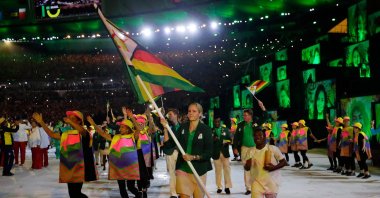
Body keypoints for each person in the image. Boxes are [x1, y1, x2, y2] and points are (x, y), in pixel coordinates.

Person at [32, 111, 98, 198]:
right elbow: (51, 134)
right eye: (69, 118)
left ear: (79, 121)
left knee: (76, 193)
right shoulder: (67, 133)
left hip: (79, 169)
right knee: (72, 193)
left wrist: (70, 121)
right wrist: (41, 122)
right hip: (69, 167)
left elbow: (82, 130)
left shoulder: (84, 132)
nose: (69, 120)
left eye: (72, 118)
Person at [162, 102, 213, 198]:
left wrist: (193, 157)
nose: (191, 113)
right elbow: (169, 144)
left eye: (194, 111)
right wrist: (165, 128)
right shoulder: (183, 127)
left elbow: (209, 153)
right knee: (183, 196)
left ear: (200, 114)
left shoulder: (206, 130)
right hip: (183, 168)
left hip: (199, 170)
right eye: (189, 111)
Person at [87, 116, 140, 198]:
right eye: (120, 127)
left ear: (128, 129)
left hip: (130, 167)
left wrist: (131, 117)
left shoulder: (133, 137)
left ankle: (139, 195)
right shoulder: (116, 137)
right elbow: (102, 133)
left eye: (122, 127)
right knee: (122, 188)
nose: (120, 129)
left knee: (131, 187)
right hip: (119, 167)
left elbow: (138, 129)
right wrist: (93, 123)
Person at [233, 100, 267, 195]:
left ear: (251, 115)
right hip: (244, 148)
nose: (244, 117)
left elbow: (265, 117)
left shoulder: (255, 122)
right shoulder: (240, 125)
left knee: (257, 167)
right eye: (244, 115)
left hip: (255, 148)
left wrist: (262, 106)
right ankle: (248, 188)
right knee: (246, 168)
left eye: (246, 115)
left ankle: (257, 186)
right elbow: (236, 137)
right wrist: (235, 148)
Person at [244, 128, 287, 198]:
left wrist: (274, 167)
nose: (257, 137)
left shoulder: (272, 149)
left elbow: (284, 162)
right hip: (256, 182)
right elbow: (246, 168)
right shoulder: (251, 151)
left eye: (260, 135)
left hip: (271, 183)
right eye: (255, 135)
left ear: (264, 137)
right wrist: (247, 165)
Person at [163, 108, 181, 198]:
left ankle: (181, 191)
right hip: (170, 152)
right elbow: (166, 142)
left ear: (176, 115)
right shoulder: (169, 127)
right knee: (172, 173)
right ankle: (173, 193)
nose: (169, 116)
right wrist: (165, 128)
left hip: (181, 153)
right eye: (168, 114)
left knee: (181, 173)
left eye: (170, 114)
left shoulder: (183, 126)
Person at [212, 117, 232, 194]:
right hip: (215, 153)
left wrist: (227, 142)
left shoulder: (226, 130)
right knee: (218, 171)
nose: (217, 123)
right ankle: (219, 187)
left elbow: (230, 140)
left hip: (225, 153)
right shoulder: (211, 131)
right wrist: (212, 140)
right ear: (213, 122)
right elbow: (208, 143)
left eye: (218, 122)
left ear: (220, 122)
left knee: (227, 170)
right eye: (215, 122)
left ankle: (227, 187)